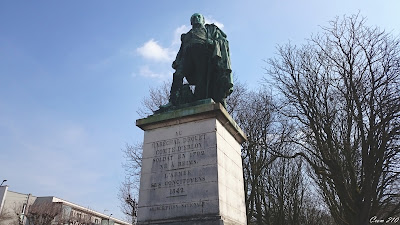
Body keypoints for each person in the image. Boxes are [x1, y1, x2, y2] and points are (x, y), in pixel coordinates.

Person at [163, 13, 233, 109]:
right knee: (178, 75)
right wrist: (177, 60)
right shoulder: (186, 35)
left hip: (203, 53)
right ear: (191, 22)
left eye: (198, 17)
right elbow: (181, 49)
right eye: (194, 17)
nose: (196, 18)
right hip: (187, 56)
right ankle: (173, 100)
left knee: (201, 76)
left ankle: (200, 99)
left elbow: (222, 41)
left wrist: (212, 43)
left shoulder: (210, 30)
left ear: (203, 20)